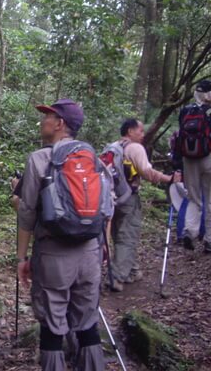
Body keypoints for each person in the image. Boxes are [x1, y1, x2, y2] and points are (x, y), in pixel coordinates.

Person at [16, 98, 105, 371]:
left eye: (48, 116)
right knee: (87, 320)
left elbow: (28, 212)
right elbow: (106, 208)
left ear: (60, 124)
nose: (43, 121)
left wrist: (22, 258)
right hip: (90, 251)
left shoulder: (40, 159)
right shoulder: (93, 159)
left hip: (54, 253)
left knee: (52, 322)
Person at [109, 118, 180, 292]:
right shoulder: (135, 148)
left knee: (119, 235)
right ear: (130, 131)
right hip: (129, 198)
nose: (142, 134)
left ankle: (132, 270)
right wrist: (169, 178)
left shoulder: (112, 147)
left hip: (111, 198)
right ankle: (116, 278)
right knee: (128, 237)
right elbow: (147, 172)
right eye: (140, 131)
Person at [179, 79, 211, 252]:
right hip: (209, 159)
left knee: (193, 198)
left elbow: (179, 136)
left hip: (189, 159)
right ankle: (209, 240)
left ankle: (189, 232)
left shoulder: (185, 111)